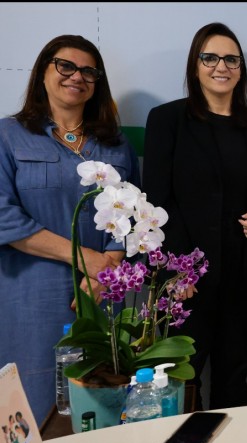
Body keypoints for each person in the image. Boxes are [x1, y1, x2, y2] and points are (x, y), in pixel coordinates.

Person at [0, 35, 139, 423]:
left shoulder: (116, 145)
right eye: (66, 66)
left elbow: (131, 217)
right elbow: (2, 217)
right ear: (43, 72)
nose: (77, 76)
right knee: (32, 405)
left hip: (100, 295)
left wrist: (108, 262)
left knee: (100, 405)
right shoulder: (7, 136)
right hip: (29, 296)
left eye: (88, 71)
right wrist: (86, 259)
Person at [142, 22, 247, 410]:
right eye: (211, 57)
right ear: (195, 65)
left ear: (241, 68)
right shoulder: (167, 120)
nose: (222, 66)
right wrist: (176, 270)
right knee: (182, 372)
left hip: (240, 271)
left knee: (235, 369)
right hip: (186, 279)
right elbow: (156, 202)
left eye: (231, 59)